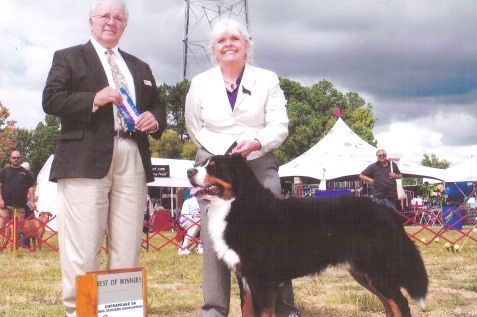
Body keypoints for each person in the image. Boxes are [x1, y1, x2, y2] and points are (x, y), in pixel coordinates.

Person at [42, 1, 166, 315]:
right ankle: (79, 311)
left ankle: (119, 311)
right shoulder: (68, 57)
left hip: (132, 155)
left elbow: (159, 107)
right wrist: (94, 99)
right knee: (82, 247)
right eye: (105, 16)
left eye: (118, 18)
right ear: (91, 21)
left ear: (125, 25)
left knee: (127, 246)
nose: (111, 22)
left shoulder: (140, 66)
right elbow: (51, 98)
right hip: (84, 156)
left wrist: (155, 119)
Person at [185, 18, 301, 317]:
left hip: (257, 161)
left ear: (246, 46)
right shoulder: (200, 83)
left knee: (273, 234)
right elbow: (193, 125)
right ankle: (214, 308)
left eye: (235, 39)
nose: (228, 44)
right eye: (221, 41)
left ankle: (284, 307)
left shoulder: (267, 79)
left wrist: (257, 141)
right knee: (214, 235)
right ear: (214, 49)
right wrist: (218, 153)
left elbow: (279, 124)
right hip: (214, 161)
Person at [0, 152, 37, 249]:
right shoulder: (4, 171)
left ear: (21, 159)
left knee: (17, 230)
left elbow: (31, 187)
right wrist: (0, 200)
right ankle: (1, 247)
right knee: (1, 228)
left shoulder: (26, 173)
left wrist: (32, 201)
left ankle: (12, 248)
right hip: (5, 206)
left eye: (18, 158)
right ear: (10, 158)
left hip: (20, 207)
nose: (16, 159)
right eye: (14, 157)